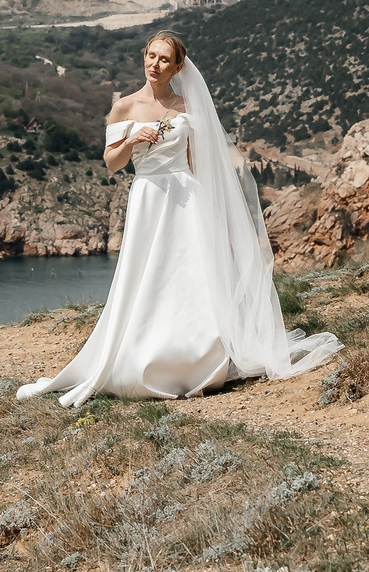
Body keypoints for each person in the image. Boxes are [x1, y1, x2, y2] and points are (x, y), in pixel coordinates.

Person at [17, 33, 340, 408]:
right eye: (150, 56)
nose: (154, 64)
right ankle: (143, 356)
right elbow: (111, 163)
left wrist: (211, 206)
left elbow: (196, 159)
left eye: (164, 59)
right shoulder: (124, 108)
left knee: (191, 275)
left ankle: (197, 357)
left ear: (177, 67)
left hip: (186, 197)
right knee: (148, 275)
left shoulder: (188, 107)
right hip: (149, 196)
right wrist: (132, 140)